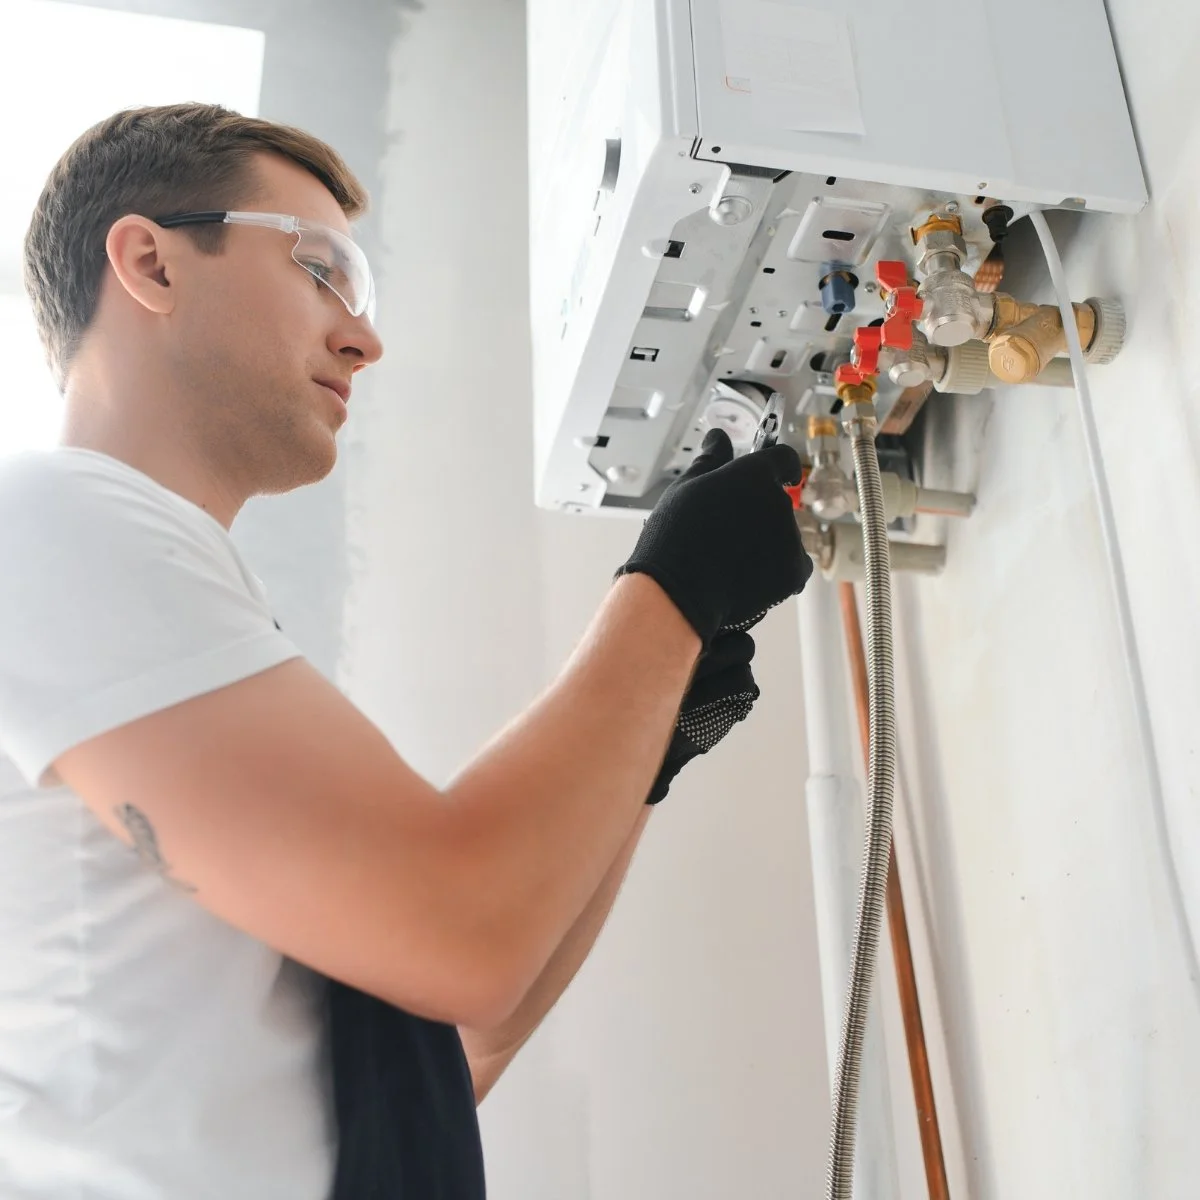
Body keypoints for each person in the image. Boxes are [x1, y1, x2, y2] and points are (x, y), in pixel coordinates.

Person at [0, 103, 811, 1198]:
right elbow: (463, 939)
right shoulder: (48, 521)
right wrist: (675, 587)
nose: (364, 338)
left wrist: (648, 745)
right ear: (151, 262)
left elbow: (451, 1044)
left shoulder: (143, 594)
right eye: (321, 270)